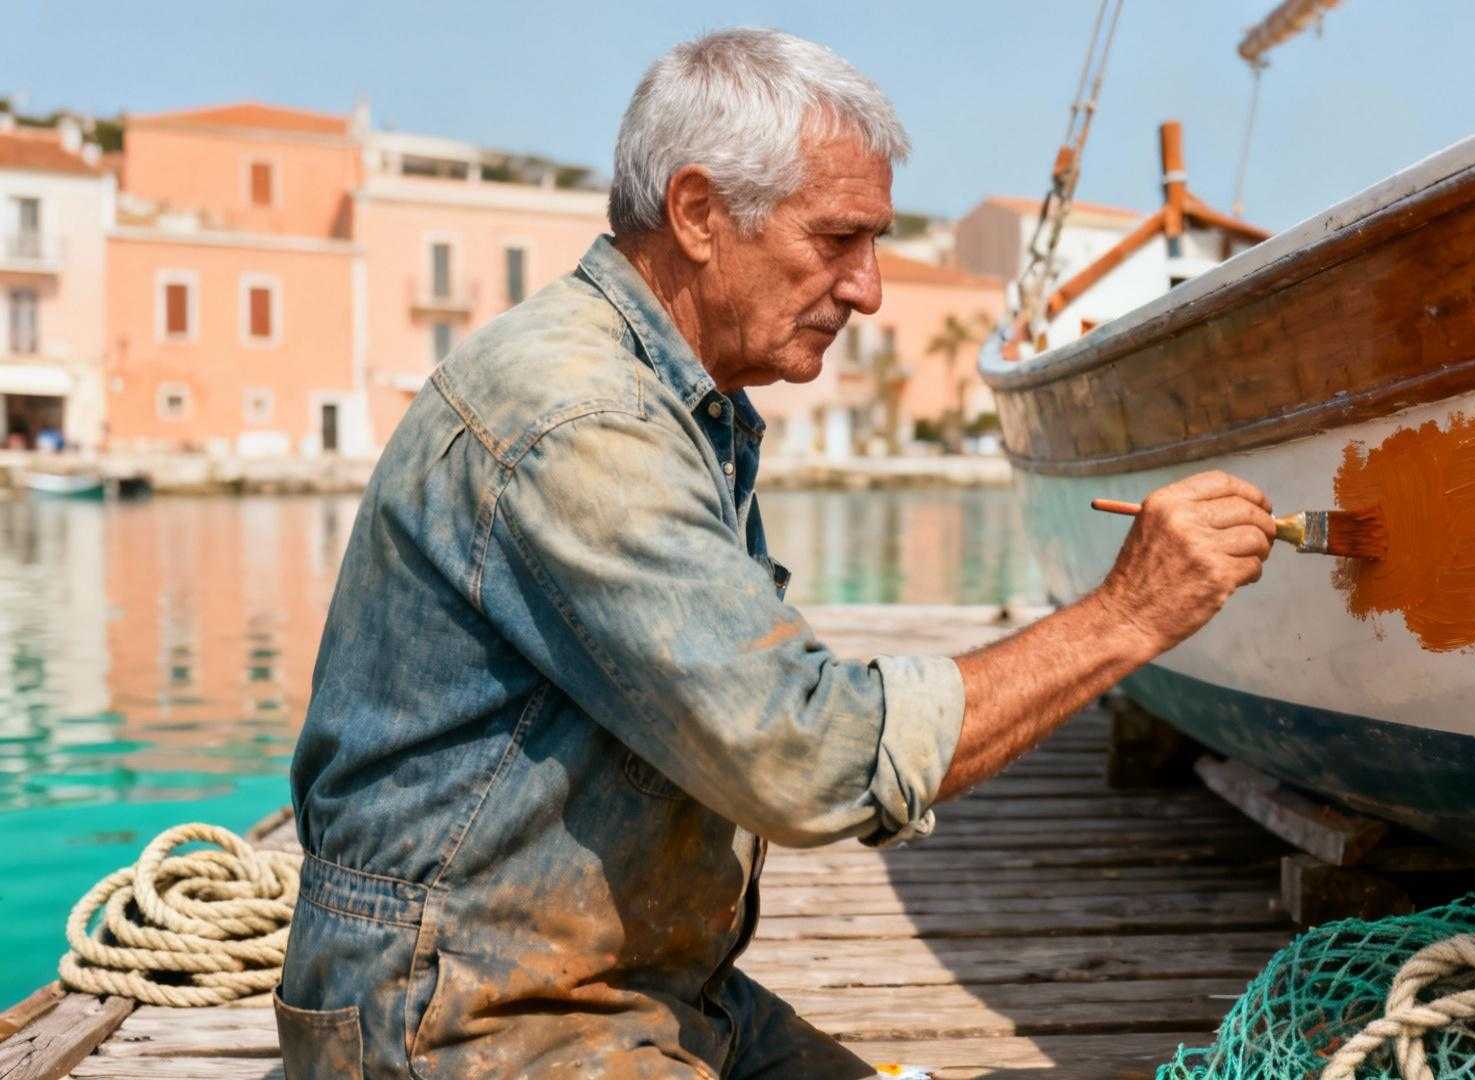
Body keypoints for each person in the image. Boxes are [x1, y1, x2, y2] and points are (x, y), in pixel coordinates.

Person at [276, 27, 1275, 1079]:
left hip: (638, 990)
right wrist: (1131, 615)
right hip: (456, 1015)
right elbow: (800, 759)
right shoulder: (578, 421)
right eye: (839, 240)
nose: (871, 289)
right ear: (700, 214)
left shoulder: (673, 398)